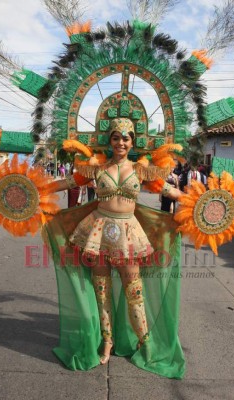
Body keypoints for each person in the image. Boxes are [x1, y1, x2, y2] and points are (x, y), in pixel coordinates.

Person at [43, 118, 185, 378]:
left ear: (133, 142)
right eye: (116, 137)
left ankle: (145, 342)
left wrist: (200, 201)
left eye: (126, 138)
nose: (121, 142)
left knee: (135, 292)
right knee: (102, 291)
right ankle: (107, 342)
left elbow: (169, 191)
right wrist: (37, 189)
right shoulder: (95, 168)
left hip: (128, 236)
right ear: (110, 141)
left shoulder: (141, 170)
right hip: (97, 232)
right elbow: (67, 184)